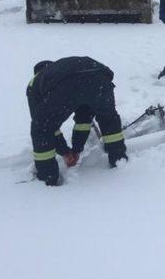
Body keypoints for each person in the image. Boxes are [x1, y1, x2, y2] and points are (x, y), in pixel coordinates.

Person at [27, 57, 128, 186]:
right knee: (108, 118)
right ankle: (118, 158)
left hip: (69, 83)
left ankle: (47, 177)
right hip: (99, 76)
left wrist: (65, 152)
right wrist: (75, 150)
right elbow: (84, 119)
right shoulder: (60, 69)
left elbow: (45, 125)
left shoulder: (34, 83)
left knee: (41, 127)